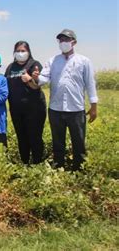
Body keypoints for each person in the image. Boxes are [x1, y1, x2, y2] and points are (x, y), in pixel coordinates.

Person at [32, 29, 98, 171]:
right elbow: (44, 78)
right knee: (58, 142)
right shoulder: (53, 60)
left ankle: (78, 169)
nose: (63, 43)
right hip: (56, 109)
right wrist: (37, 77)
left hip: (76, 109)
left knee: (78, 142)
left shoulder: (84, 61)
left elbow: (90, 84)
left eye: (66, 40)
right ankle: (59, 166)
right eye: (61, 40)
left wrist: (94, 106)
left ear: (73, 42)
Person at [5, 41, 46, 164]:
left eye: (23, 50)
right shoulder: (10, 67)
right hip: (16, 110)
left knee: (34, 137)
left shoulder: (34, 65)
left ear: (28, 52)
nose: (20, 53)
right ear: (14, 52)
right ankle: (24, 163)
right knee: (21, 137)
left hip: (34, 109)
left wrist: (31, 79)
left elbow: (37, 85)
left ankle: (37, 163)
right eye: (18, 50)